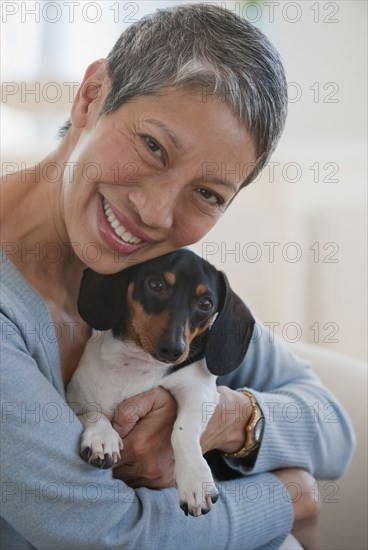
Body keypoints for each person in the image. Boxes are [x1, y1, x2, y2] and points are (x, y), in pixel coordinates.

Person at [0, 3, 355, 549]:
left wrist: (231, 419)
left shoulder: (152, 276)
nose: (157, 213)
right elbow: (106, 534)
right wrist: (293, 499)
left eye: (208, 193)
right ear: (92, 96)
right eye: (153, 146)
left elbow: (334, 431)